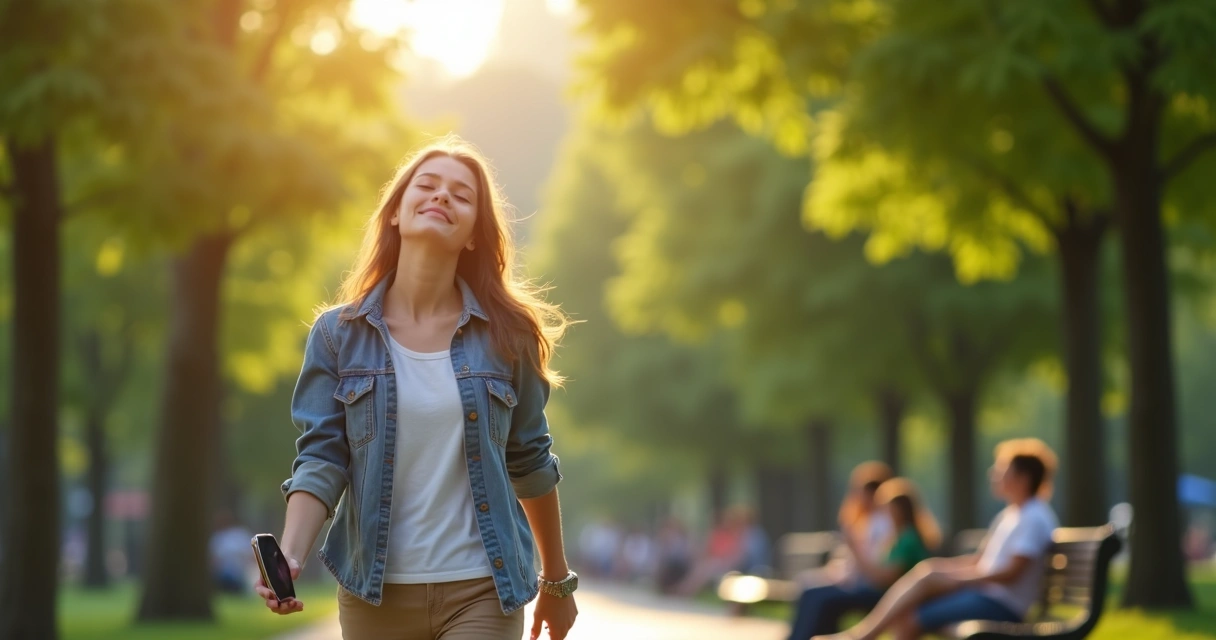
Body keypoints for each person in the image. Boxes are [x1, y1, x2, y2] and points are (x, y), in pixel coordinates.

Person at [255, 136, 579, 640]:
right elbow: (322, 456)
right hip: (374, 594)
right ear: (396, 214)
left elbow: (531, 459)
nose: (441, 197)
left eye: (460, 195)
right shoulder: (338, 336)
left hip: (482, 588)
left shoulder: (507, 335)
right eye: (426, 186)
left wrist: (557, 582)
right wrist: (291, 554)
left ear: (473, 233)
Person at [813, 438, 1060, 640]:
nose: (994, 475)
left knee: (910, 616)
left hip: (1002, 605)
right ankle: (861, 636)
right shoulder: (1012, 515)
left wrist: (958, 580)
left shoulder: (1034, 517)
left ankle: (861, 636)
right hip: (986, 597)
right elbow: (982, 560)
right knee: (928, 574)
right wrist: (944, 570)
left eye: (1002, 470)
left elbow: (1012, 573)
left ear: (1023, 478)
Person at [788, 477, 940, 639]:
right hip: (887, 594)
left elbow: (884, 579)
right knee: (819, 596)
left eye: (888, 510)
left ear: (899, 510)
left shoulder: (908, 539)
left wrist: (855, 550)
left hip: (889, 597)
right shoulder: (900, 537)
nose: (886, 515)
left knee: (822, 598)